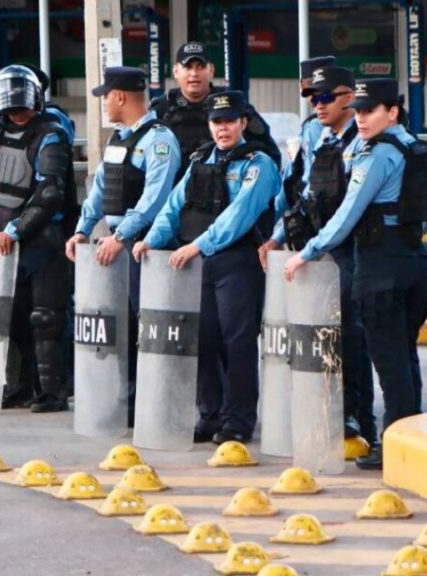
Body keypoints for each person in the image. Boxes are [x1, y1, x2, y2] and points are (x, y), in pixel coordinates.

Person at [283, 79, 427, 470]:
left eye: (370, 111)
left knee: (390, 362)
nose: (361, 118)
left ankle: (395, 443)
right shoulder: (413, 146)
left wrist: (307, 252)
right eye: (359, 111)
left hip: (381, 267)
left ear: (392, 112)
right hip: (414, 262)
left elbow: (348, 213)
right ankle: (410, 440)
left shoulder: (378, 154)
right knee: (405, 357)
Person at [133, 90, 280, 444]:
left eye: (229, 121)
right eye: (216, 122)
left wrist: (196, 246)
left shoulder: (258, 164)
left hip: (237, 262)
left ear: (244, 122)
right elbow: (174, 205)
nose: (222, 128)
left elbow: (239, 216)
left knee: (238, 343)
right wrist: (151, 239)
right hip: (200, 263)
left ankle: (238, 420)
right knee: (203, 340)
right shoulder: (201, 159)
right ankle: (210, 415)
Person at [260, 65, 376, 446]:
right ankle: (336, 414)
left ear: (349, 98)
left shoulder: (362, 143)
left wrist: (310, 250)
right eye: (313, 98)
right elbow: (308, 196)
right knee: (327, 338)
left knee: (352, 338)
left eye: (326, 97)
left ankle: (360, 420)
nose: (318, 105)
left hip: (354, 252)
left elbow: (349, 211)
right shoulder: (325, 141)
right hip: (326, 252)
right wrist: (277, 237)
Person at [64, 66, 182, 422]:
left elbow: (154, 200)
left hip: (146, 246)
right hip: (118, 244)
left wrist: (120, 236)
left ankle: (156, 404)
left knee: (150, 327)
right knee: (124, 326)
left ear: (119, 96)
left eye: (106, 97)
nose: (104, 104)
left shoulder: (159, 140)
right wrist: (83, 229)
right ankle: (128, 399)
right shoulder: (118, 139)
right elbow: (101, 189)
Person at [0, 65, 75, 413]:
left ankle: (52, 391)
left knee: (46, 317)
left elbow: (50, 192)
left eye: (22, 105)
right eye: (11, 106)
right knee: (10, 316)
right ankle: (19, 385)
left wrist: (17, 229)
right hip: (1, 234)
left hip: (42, 237)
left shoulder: (51, 132)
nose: (17, 112)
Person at [150, 41, 281, 176]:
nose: (194, 73)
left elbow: (269, 154)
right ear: (176, 71)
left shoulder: (233, 104)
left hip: (225, 186)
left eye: (201, 67)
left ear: (211, 70)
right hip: (174, 187)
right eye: (188, 67)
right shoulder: (161, 109)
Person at [279, 55, 335, 206]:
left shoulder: (315, 127)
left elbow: (312, 179)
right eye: (309, 90)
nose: (313, 98)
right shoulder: (312, 125)